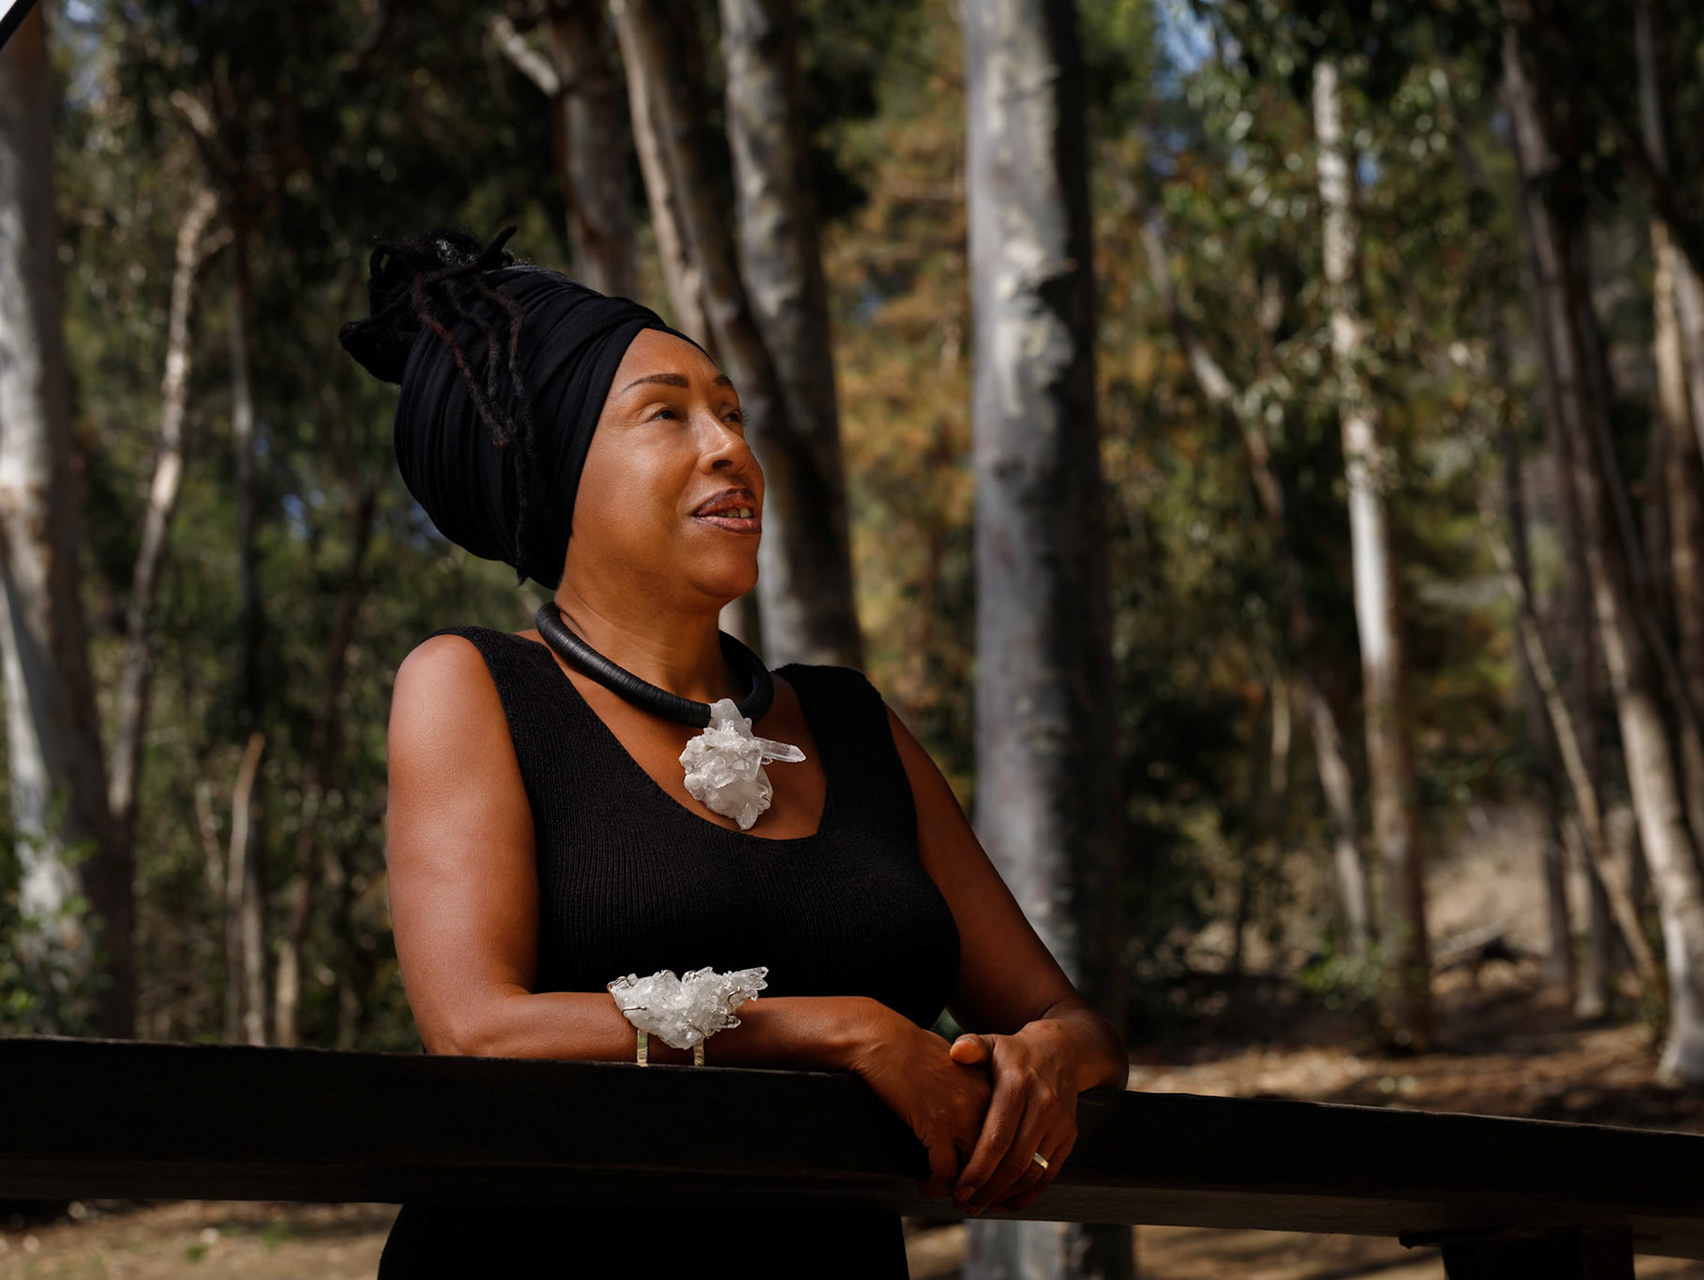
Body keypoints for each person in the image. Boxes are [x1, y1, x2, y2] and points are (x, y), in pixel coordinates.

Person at [339, 227, 1129, 1275]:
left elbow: (1070, 1021)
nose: (729, 448)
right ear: (552, 468)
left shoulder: (848, 721)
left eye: (732, 413)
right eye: (665, 414)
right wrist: (837, 1030)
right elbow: (477, 1029)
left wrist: (1048, 1060)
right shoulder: (474, 686)